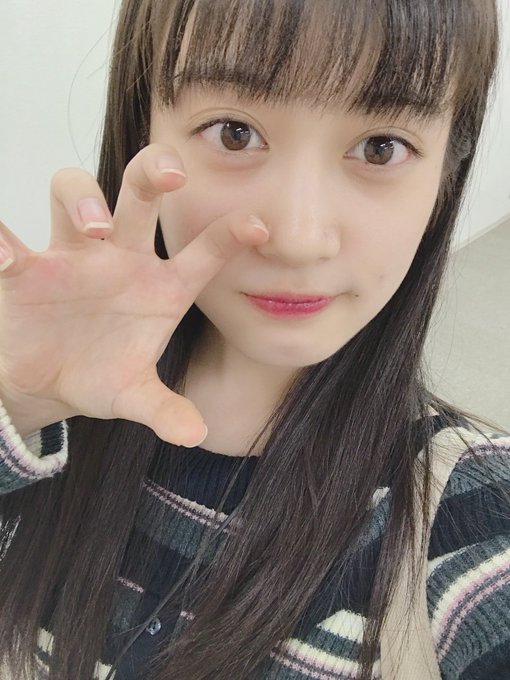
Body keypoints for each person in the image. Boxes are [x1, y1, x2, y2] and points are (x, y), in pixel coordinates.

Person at [0, 0, 508, 678]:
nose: (298, 239)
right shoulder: (40, 422)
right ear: (143, 127)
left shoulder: (468, 512)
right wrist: (20, 403)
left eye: (380, 147)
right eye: (235, 133)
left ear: (446, 172)